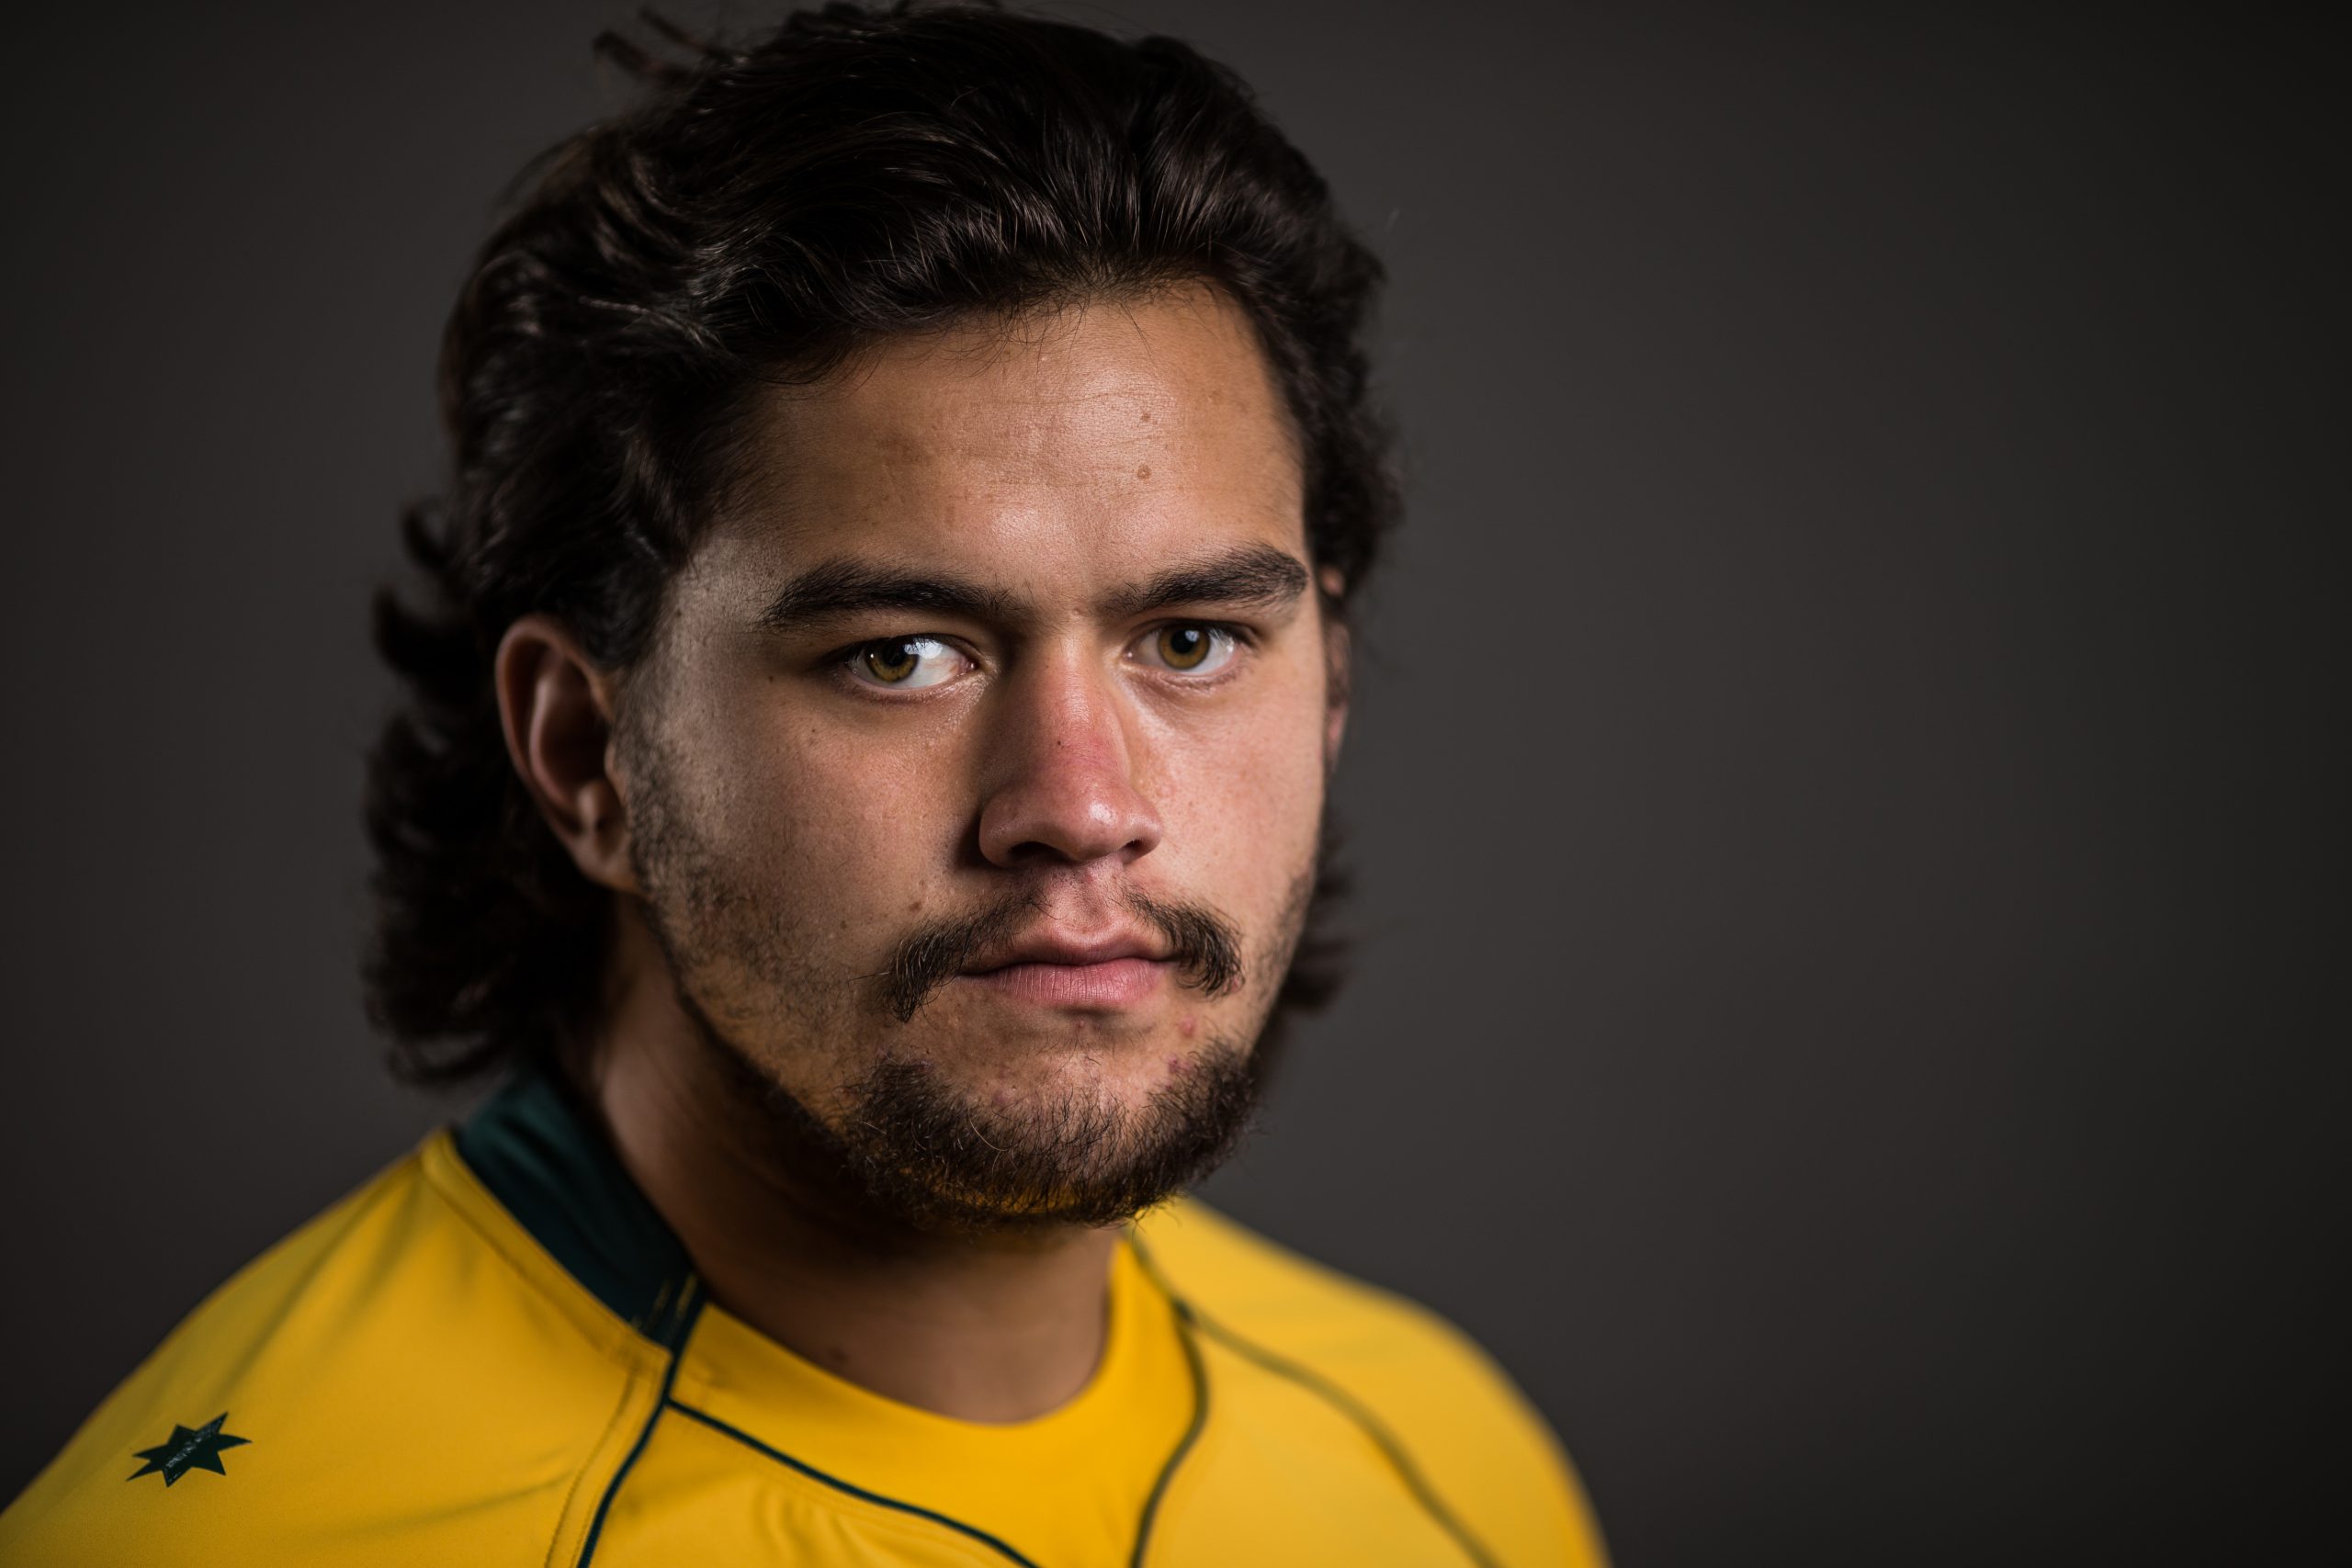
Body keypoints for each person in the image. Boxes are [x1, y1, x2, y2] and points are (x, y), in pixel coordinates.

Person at [0, 6, 1607, 1563]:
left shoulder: (1442, 1456)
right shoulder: (239, 1539)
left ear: (1325, 683)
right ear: (588, 755)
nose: (1080, 802)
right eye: (901, 654)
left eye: (1191, 638)